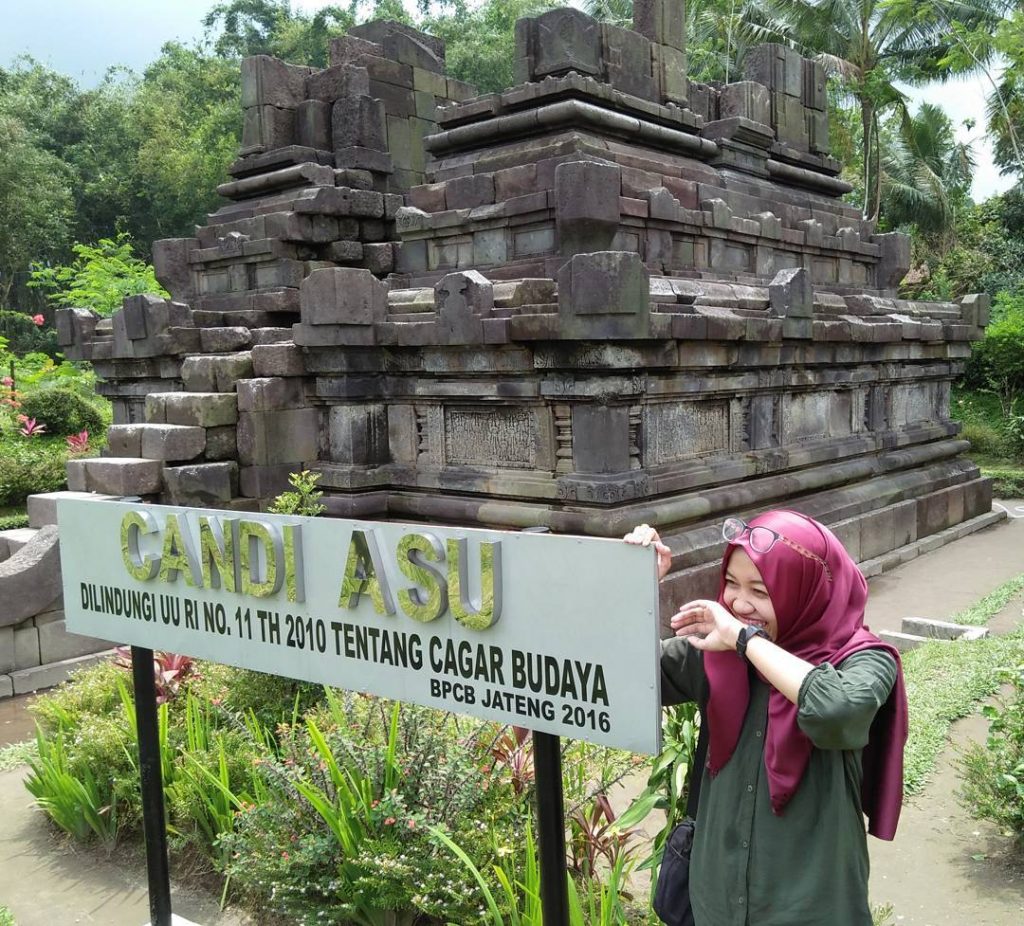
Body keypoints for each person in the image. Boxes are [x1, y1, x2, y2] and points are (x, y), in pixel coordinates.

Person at [624, 509, 908, 926]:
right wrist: (633, 584)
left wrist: (745, 641)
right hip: (716, 900)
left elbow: (834, 712)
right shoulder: (716, 656)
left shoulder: (864, 660)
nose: (738, 603)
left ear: (806, 589)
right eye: (732, 584)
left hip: (812, 906)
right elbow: (620, 672)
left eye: (760, 590)